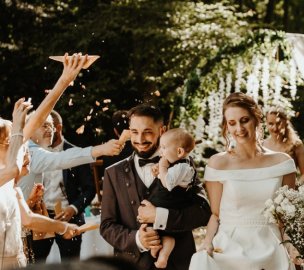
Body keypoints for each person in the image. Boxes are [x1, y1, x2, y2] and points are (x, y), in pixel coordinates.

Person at [189, 92, 296, 270]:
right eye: (232, 123)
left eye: (244, 120)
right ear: (226, 127)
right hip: (229, 248)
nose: (239, 128)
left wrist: (294, 248)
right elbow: (215, 215)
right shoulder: (218, 164)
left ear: (256, 119)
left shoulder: (283, 163)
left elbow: (287, 219)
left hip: (271, 246)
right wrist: (207, 242)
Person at [0, 53, 88, 268]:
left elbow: (28, 219)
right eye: (12, 142)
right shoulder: (7, 173)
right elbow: (12, 167)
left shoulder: (11, 185)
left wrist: (65, 79)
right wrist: (19, 127)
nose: (22, 148)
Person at [100, 104, 211, 270]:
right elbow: (107, 226)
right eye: (134, 132)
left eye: (147, 132)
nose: (139, 139)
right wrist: (137, 239)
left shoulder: (184, 165)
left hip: (177, 263)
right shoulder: (113, 173)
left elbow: (203, 213)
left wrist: (161, 216)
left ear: (162, 130)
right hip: (132, 265)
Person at [26, 110, 96, 262]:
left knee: (70, 263)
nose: (45, 131)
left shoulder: (75, 153)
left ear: (57, 128)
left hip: (69, 218)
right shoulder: (32, 153)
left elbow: (90, 189)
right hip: (40, 218)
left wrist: (74, 208)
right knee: (35, 262)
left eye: (48, 126)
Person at [148, 128, 198, 268]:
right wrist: (158, 171)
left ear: (180, 152)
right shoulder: (176, 164)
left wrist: (163, 167)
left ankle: (161, 253)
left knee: (151, 227)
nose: (160, 152)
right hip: (164, 205)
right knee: (162, 235)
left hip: (169, 206)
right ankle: (162, 254)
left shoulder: (184, 167)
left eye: (164, 148)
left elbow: (168, 184)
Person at [264, 108, 304, 185]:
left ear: (285, 121)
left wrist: (295, 187)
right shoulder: (262, 145)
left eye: (278, 123)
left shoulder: (296, 144)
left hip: (286, 193)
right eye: (271, 124)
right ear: (266, 124)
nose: (275, 128)